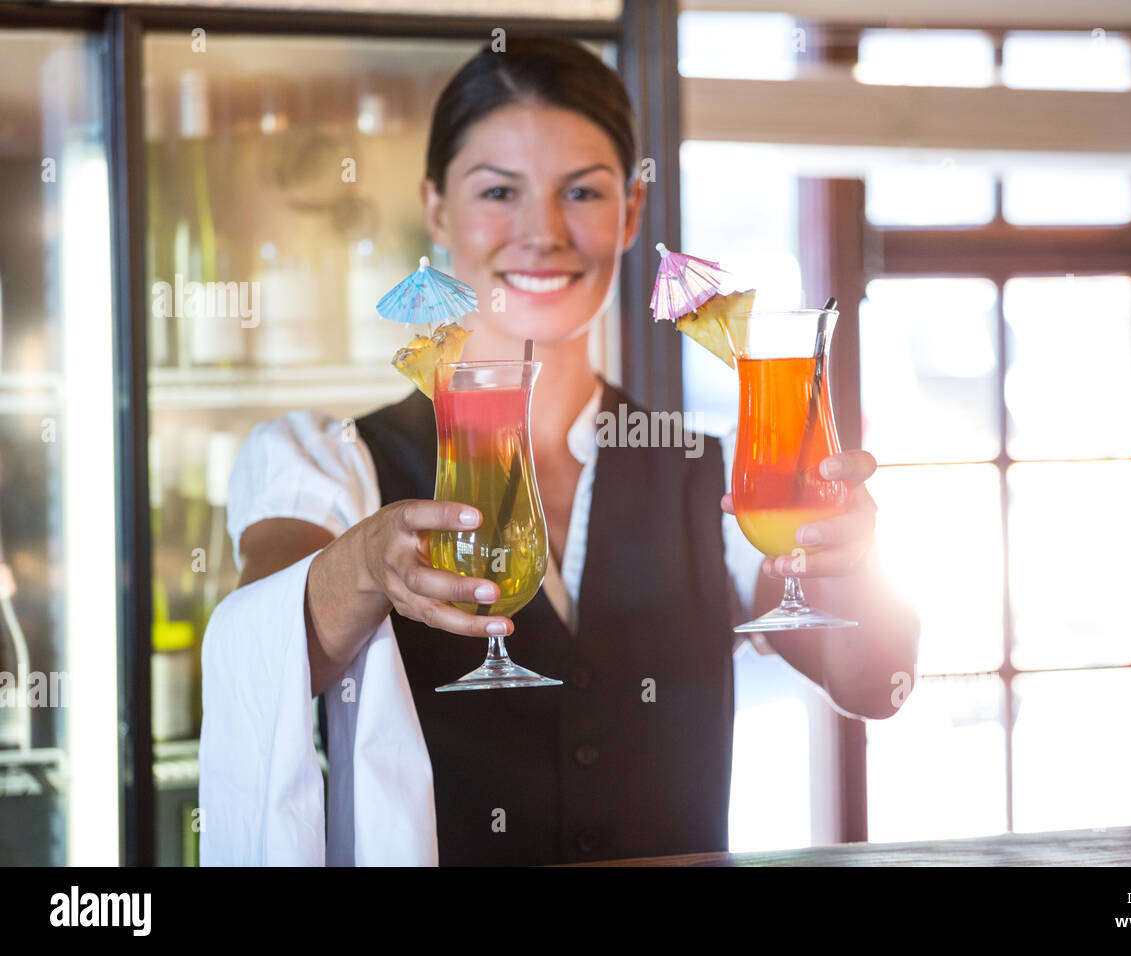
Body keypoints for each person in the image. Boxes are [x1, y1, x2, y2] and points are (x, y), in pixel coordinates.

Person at [198, 37, 919, 867]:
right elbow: (263, 654)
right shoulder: (333, 464)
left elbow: (873, 682)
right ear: (436, 209)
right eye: (498, 191)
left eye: (582, 191)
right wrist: (363, 567)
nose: (541, 233)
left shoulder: (709, 474)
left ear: (631, 214)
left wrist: (851, 559)